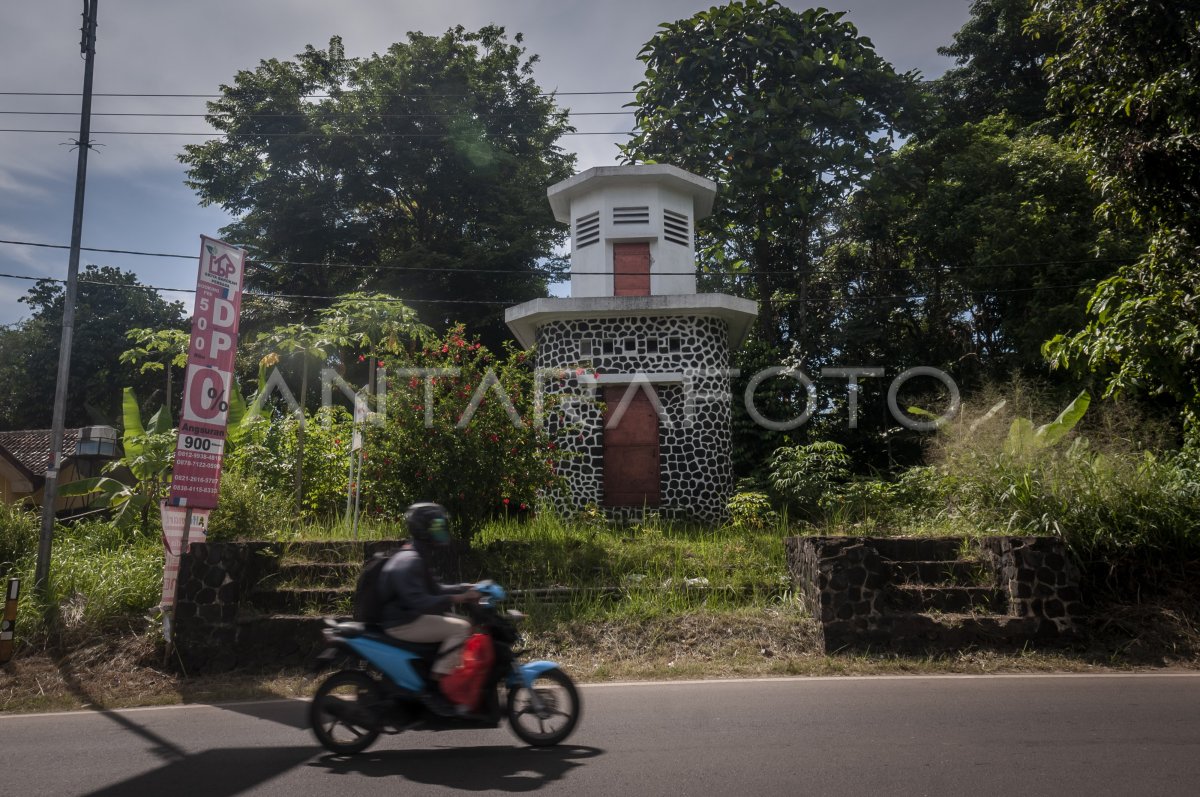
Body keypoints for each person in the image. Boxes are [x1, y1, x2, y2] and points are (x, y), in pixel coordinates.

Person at [379, 502, 479, 716]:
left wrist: (467, 587)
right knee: (461, 627)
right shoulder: (412, 559)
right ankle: (436, 687)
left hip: (407, 617)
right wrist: (459, 597)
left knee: (455, 621)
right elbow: (421, 602)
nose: (440, 530)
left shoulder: (415, 554)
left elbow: (435, 589)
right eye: (436, 526)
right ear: (424, 529)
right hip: (404, 622)